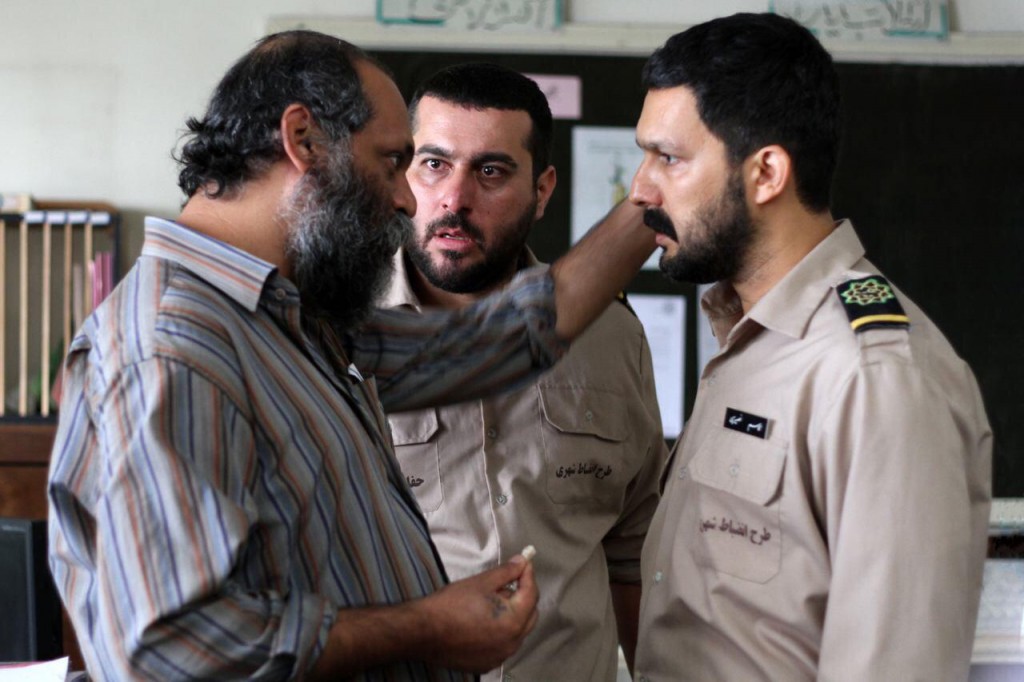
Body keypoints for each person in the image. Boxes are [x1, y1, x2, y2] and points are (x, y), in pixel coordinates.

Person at [46, 31, 653, 681]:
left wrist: (655, 190)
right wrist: (427, 627)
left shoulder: (289, 318)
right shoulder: (174, 347)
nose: (407, 199)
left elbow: (494, 343)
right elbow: (173, 650)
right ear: (303, 140)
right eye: (394, 162)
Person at [627, 13, 992, 682]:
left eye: (668, 158)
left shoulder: (874, 377)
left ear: (766, 173)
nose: (639, 189)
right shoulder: (748, 338)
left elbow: (894, 667)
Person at [382, 62, 669, 682]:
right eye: (433, 164)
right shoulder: (333, 334)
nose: (454, 199)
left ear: (542, 191)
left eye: (490, 171)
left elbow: (634, 548)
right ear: (401, 173)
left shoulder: (611, 335)